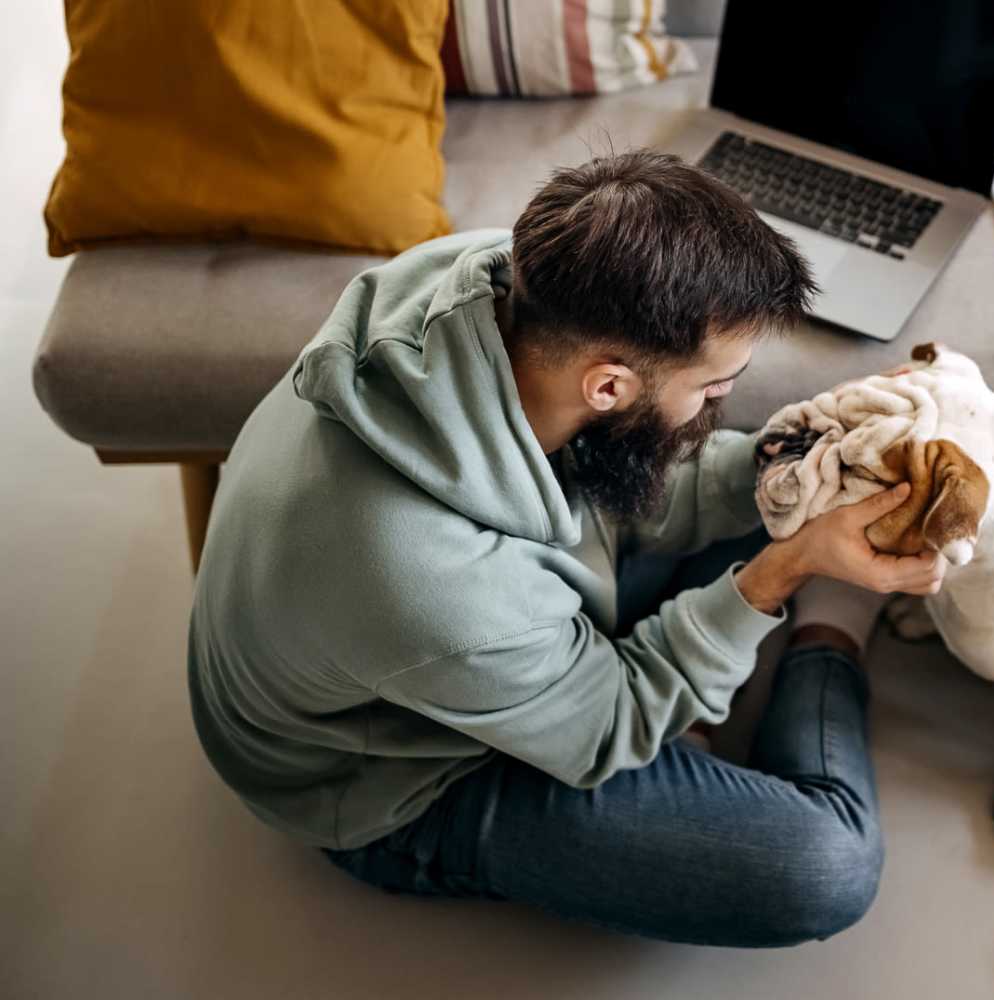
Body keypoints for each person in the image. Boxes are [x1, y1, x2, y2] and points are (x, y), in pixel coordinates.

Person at [186, 151, 948, 947]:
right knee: (824, 867)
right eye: (714, 388)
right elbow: (610, 724)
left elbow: (618, 479)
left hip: (462, 633)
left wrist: (797, 459)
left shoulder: (499, 280)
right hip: (394, 780)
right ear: (608, 387)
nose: (722, 402)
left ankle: (738, 622)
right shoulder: (430, 578)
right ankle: (832, 630)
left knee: (786, 487)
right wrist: (792, 570)